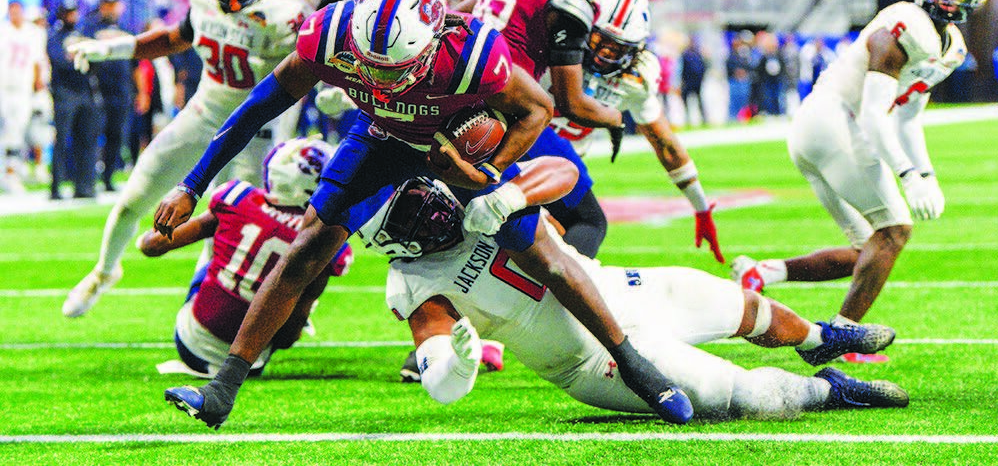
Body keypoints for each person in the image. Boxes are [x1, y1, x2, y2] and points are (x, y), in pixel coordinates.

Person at [158, 0, 693, 429]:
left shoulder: (475, 54)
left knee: (542, 255)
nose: (382, 78)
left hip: (456, 144)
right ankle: (222, 390)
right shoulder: (333, 34)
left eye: (396, 68)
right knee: (309, 246)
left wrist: (484, 168)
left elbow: (537, 112)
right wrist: (191, 184)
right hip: (382, 137)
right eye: (372, 65)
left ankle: (633, 364)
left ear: (434, 38)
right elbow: (257, 107)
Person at [358, 167, 907, 420]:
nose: (427, 209)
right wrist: (456, 362)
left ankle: (818, 337)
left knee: (740, 305)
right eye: (409, 213)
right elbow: (439, 380)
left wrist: (511, 194)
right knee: (734, 395)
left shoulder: (468, 184)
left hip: (626, 289)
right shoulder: (415, 282)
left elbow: (563, 172)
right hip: (590, 359)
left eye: (417, 195)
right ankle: (832, 391)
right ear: (389, 239)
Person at [732, 0, 988, 349]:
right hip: (833, 122)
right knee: (895, 230)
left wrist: (926, 174)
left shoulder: (952, 46)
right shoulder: (907, 24)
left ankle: (763, 273)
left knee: (868, 249)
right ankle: (838, 336)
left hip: (821, 126)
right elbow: (872, 115)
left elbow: (906, 117)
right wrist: (907, 174)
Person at [62, 0, 312, 318]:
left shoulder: (287, 15)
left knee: (236, 227)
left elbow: (314, 65)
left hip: (261, 131)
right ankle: (104, 272)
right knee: (135, 195)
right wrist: (109, 49)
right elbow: (176, 37)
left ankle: (262, 311)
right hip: (206, 109)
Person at [472, 0, 627, 259]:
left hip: (462, 96)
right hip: (502, 115)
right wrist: (614, 118)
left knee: (530, 221)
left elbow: (467, 8)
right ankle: (551, 305)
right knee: (587, 221)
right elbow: (571, 104)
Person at [137, 136, 349, 377]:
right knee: (297, 288)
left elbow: (154, 247)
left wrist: (147, 241)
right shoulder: (328, 240)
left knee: (221, 235)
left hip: (192, 340)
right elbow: (289, 337)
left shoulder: (238, 198)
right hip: (250, 362)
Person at [548, 0, 722, 261]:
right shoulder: (551, 49)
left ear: (635, 50)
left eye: (616, 48)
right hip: (531, 155)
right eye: (600, 40)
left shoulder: (634, 78)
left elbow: (665, 144)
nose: (604, 53)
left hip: (562, 171)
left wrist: (700, 206)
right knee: (588, 224)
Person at [47, 0, 102, 199]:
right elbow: (60, 61)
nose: (73, 16)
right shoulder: (55, 36)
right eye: (69, 12)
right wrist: (81, 62)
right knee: (61, 141)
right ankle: (56, 187)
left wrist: (79, 61)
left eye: (74, 12)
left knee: (86, 140)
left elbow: (96, 59)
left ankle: (85, 186)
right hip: (64, 93)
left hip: (85, 92)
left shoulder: (83, 35)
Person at [81, 0, 133, 192]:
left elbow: (135, 64)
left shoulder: (126, 28)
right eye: (107, 4)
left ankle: (108, 177)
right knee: (92, 134)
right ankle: (89, 178)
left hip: (121, 89)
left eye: (114, 4)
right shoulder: (90, 27)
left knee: (116, 135)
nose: (110, 9)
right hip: (98, 88)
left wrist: (140, 91)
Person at [0, 0, 49, 193]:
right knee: (9, 131)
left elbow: (37, 61)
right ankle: (10, 171)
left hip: (22, 89)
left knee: (17, 131)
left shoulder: (33, 33)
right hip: (4, 87)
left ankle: (11, 172)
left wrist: (37, 82)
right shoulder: (3, 30)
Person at [678, 38, 706, 126]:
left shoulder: (698, 54)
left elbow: (703, 66)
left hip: (697, 81)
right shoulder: (685, 55)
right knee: (686, 101)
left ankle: (703, 118)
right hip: (688, 81)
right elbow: (682, 69)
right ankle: (687, 119)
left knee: (699, 101)